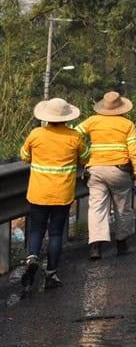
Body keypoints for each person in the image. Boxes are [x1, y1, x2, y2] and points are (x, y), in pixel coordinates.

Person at [19, 97, 89, 290]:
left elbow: (24, 156)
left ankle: (32, 256)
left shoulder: (36, 134)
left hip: (38, 192)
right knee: (56, 233)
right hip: (62, 194)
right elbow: (85, 158)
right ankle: (51, 274)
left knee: (36, 229)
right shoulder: (74, 137)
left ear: (46, 117)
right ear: (66, 118)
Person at [76, 91, 136, 259]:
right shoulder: (127, 125)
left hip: (95, 170)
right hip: (119, 171)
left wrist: (83, 155)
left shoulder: (92, 121)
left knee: (97, 207)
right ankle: (121, 243)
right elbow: (135, 151)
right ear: (121, 108)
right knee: (122, 208)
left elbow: (74, 136)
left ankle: (95, 247)